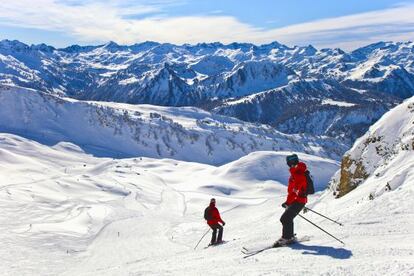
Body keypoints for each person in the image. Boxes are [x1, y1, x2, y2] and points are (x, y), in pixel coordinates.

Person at [275, 154, 308, 246]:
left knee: (285, 219)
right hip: (297, 200)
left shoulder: (298, 173)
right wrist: (288, 202)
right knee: (288, 218)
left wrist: (289, 202)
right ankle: (289, 236)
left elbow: (295, 191)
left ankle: (287, 238)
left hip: (299, 201)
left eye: (289, 163)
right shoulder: (296, 172)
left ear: (290, 163)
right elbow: (292, 191)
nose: (289, 165)